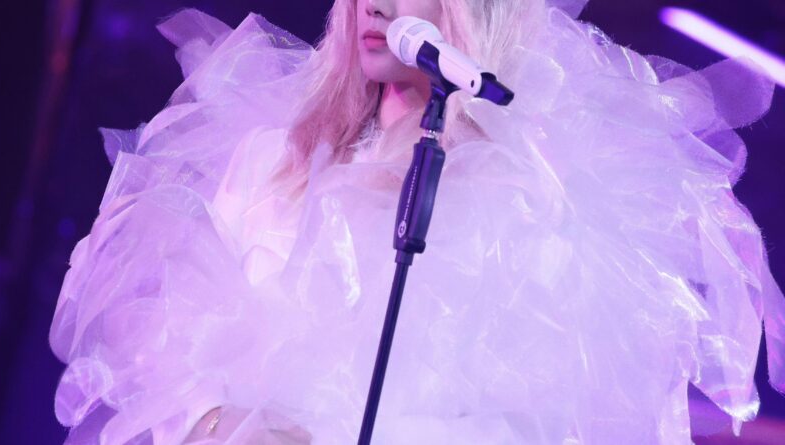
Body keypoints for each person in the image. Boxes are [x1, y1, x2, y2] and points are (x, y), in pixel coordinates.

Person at [50, 0, 785, 443]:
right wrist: (220, 424)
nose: (374, 4)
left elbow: (535, 418)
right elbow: (169, 351)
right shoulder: (271, 161)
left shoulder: (524, 202)